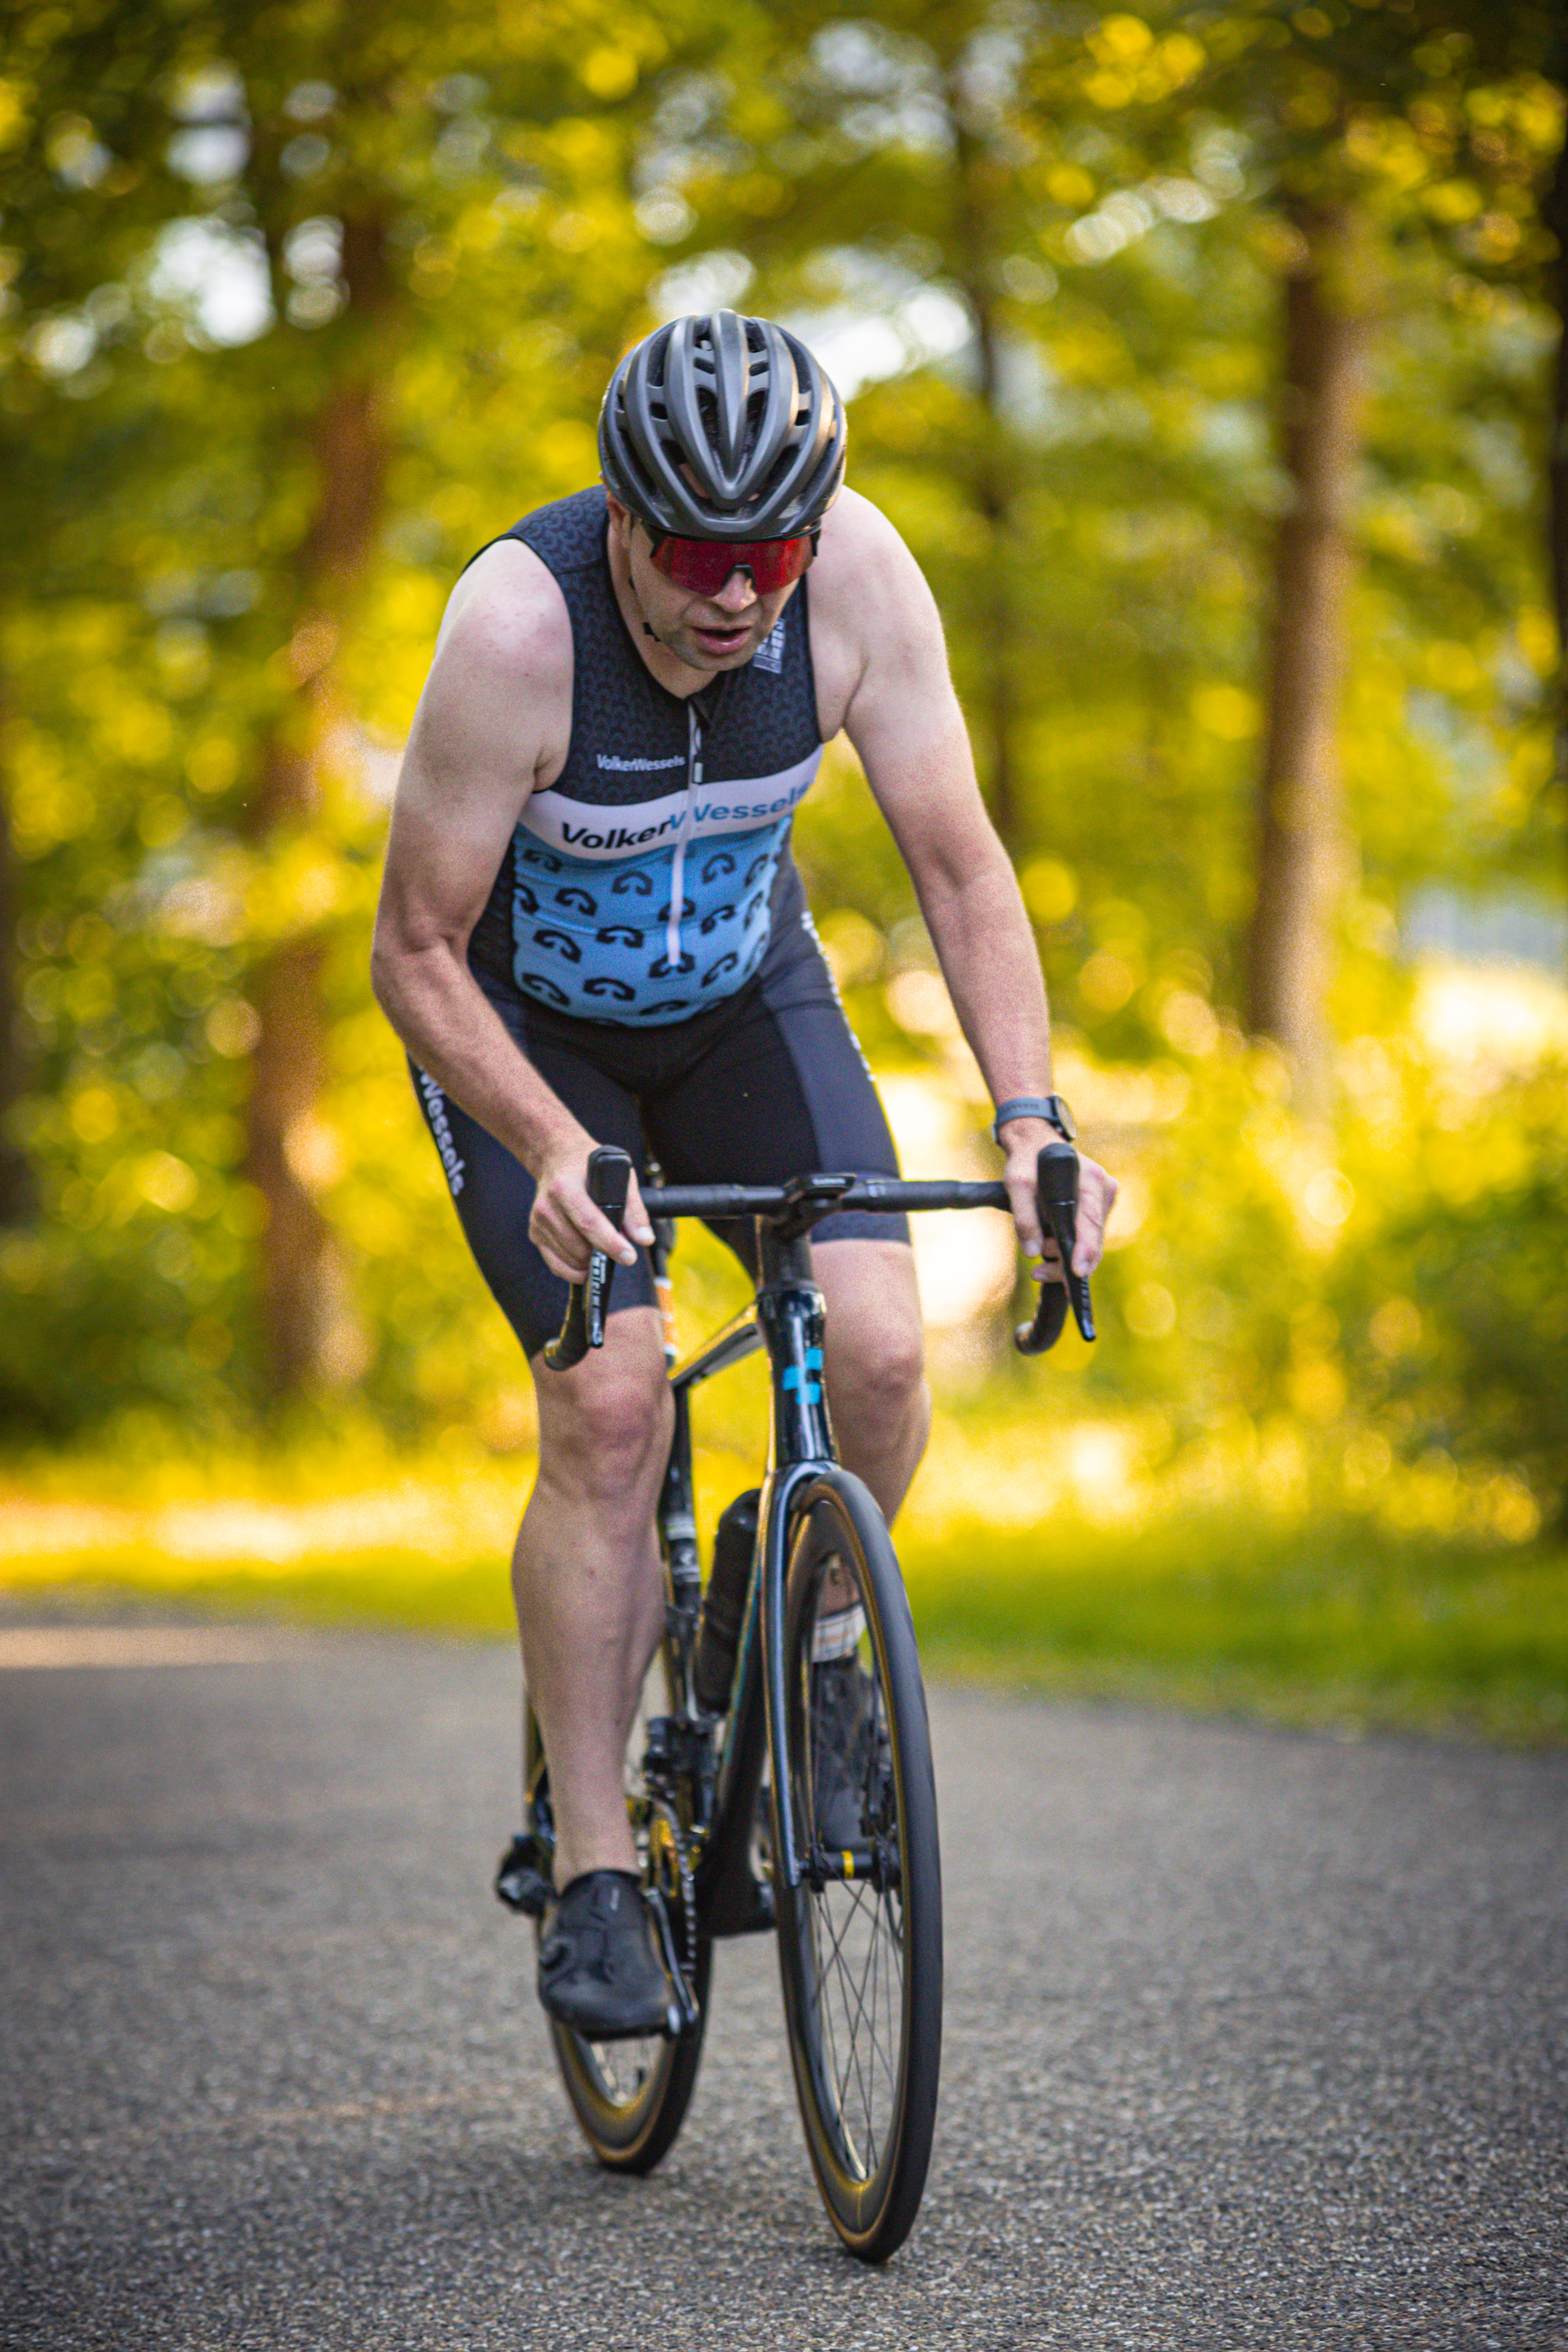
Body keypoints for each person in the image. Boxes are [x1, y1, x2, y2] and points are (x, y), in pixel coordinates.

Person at [372, 308, 1117, 2038]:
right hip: (525, 1037)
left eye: (769, 553)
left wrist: (1033, 1121)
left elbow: (959, 860)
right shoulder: (514, 631)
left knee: (878, 1353)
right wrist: (554, 1148)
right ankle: (591, 1870)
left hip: (738, 1010)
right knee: (614, 1406)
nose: (737, 596)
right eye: (700, 554)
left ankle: (817, 1660)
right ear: (623, 520)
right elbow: (410, 951)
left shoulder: (853, 583)